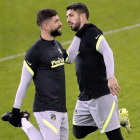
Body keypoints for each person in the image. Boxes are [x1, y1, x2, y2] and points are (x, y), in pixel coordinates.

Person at [1, 8, 92, 140]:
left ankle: (23, 121)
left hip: (62, 108)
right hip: (46, 108)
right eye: (56, 21)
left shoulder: (57, 46)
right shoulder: (34, 52)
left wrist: (79, 33)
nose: (61, 23)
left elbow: (70, 58)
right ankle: (22, 121)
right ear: (46, 26)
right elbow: (24, 83)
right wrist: (15, 110)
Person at [65, 3, 131, 140]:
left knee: (114, 137)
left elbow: (107, 51)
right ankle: (117, 116)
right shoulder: (79, 36)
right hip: (85, 95)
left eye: (71, 15)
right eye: (66, 16)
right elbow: (69, 58)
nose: (67, 19)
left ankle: (113, 117)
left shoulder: (92, 32)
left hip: (101, 94)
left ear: (82, 16)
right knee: (78, 132)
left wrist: (111, 76)